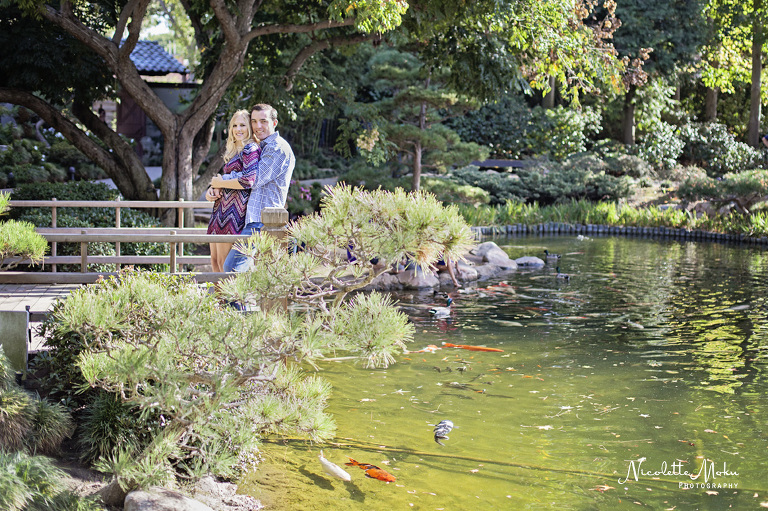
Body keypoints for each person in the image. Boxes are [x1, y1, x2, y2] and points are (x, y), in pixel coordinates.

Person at [207, 103, 295, 272]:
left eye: (263, 121)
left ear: (274, 122)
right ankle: (239, 299)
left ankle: (241, 300)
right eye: (254, 121)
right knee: (233, 269)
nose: (258, 126)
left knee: (232, 269)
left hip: (263, 220)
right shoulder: (263, 146)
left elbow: (252, 180)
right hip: (252, 218)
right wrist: (217, 186)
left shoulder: (277, 148)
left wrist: (220, 181)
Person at [206, 110, 260, 272]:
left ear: (249, 127)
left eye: (242, 125)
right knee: (214, 262)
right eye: (234, 125)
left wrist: (221, 182)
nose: (238, 129)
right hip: (220, 211)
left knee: (223, 265)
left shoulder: (251, 148)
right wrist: (213, 190)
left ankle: (228, 298)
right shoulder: (234, 150)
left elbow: (247, 180)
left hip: (234, 214)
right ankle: (218, 299)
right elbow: (225, 181)